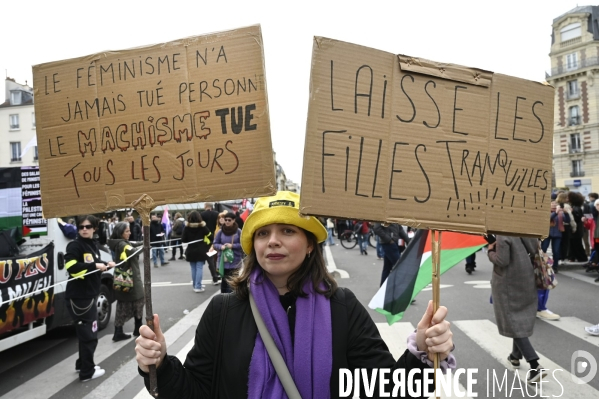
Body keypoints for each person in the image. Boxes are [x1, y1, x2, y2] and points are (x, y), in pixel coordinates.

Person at [135, 191, 455, 398]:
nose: (273, 241)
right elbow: (195, 391)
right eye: (263, 233)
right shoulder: (223, 310)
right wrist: (160, 364)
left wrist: (422, 355)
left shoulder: (342, 307)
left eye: (287, 231)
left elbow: (385, 390)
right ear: (253, 245)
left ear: (310, 243)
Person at [487, 235, 547, 383]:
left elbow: (502, 260)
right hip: (526, 276)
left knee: (511, 319)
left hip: (508, 282)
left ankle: (534, 365)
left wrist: (490, 251)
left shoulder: (503, 233)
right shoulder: (526, 229)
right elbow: (534, 249)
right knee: (518, 316)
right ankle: (515, 356)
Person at [65, 215, 115, 382]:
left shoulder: (91, 244)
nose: (84, 229)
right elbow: (71, 267)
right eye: (81, 227)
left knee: (85, 334)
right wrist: (95, 266)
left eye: (87, 226)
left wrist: (106, 264)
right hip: (80, 298)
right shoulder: (75, 245)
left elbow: (94, 262)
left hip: (88, 295)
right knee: (89, 335)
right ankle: (87, 372)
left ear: (94, 228)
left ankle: (83, 364)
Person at [108, 222, 145, 340]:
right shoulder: (122, 244)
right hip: (130, 278)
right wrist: (146, 246)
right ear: (120, 233)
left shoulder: (121, 242)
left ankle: (121, 330)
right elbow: (133, 250)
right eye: (127, 231)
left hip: (125, 279)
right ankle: (137, 329)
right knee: (138, 301)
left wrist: (145, 241)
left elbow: (134, 244)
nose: (130, 233)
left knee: (123, 305)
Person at [537, 201, 563, 321]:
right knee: (540, 278)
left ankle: (540, 307)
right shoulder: (545, 213)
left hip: (552, 237)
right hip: (540, 241)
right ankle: (539, 308)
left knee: (542, 278)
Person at [181, 211, 212, 293]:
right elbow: (210, 236)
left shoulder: (187, 227)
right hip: (201, 249)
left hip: (191, 250)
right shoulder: (202, 227)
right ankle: (198, 286)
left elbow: (183, 239)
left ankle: (195, 285)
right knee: (199, 268)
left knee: (193, 268)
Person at [212, 211, 243, 293]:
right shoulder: (221, 231)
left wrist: (232, 246)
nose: (227, 222)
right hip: (223, 261)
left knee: (233, 282)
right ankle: (224, 299)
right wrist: (221, 247)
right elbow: (215, 243)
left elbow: (243, 245)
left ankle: (231, 299)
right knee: (224, 281)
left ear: (234, 220)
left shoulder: (238, 231)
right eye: (225, 220)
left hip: (235, 260)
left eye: (229, 220)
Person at [201, 203, 222, 284]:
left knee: (210, 258)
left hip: (205, 238)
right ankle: (217, 273)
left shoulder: (202, 214)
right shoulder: (216, 214)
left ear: (205, 206)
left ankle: (215, 277)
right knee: (215, 257)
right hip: (215, 236)